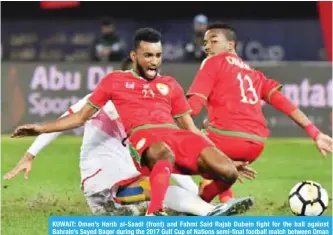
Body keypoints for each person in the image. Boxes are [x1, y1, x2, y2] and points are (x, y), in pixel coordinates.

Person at [11, 28, 256, 216]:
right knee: (166, 190)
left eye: (157, 56)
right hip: (102, 184)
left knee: (184, 190)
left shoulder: (154, 103)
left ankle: (199, 211)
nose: (153, 63)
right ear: (133, 61)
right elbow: (71, 119)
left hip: (132, 176)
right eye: (147, 56)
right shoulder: (109, 94)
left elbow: (176, 144)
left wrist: (218, 163)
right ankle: (207, 214)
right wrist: (31, 152)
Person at [187, 22, 333, 203]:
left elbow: (193, 107)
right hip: (255, 146)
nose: (207, 46)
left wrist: (164, 119)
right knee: (208, 128)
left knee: (177, 151)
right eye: (206, 42)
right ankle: (217, 198)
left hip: (226, 141)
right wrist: (315, 133)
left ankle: (158, 197)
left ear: (230, 45)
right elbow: (284, 103)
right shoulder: (255, 75)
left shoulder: (212, 62)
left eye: (214, 41)